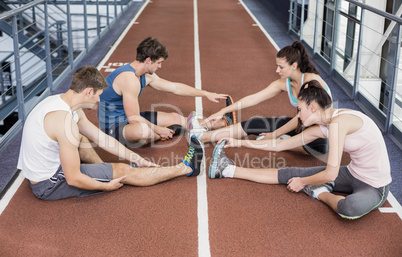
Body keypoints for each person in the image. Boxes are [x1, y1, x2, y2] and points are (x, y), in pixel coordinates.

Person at [209, 80, 391, 219]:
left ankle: (321, 193)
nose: (297, 115)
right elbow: (279, 145)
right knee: (291, 173)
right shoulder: (324, 126)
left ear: (312, 107)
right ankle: (227, 169)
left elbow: (330, 174)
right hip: (352, 173)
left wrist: (303, 182)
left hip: (375, 186)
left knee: (349, 208)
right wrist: (240, 142)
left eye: (299, 110)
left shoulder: (339, 123)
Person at [17, 66, 204, 201]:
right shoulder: (65, 123)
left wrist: (135, 157)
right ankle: (186, 168)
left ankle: (104, 169)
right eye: (98, 95)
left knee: (82, 139)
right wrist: (105, 185)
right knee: (123, 171)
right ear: (89, 91)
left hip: (39, 170)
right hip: (48, 184)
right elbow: (73, 177)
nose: (99, 100)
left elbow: (100, 137)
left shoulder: (61, 102)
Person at [191, 41, 332, 156]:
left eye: (281, 67)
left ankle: (283, 139)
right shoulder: (284, 84)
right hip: (300, 124)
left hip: (318, 132)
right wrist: (223, 110)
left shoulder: (311, 81)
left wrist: (274, 134)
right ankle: (203, 137)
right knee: (255, 122)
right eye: (276, 66)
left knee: (312, 148)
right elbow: (253, 99)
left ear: (294, 66)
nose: (277, 70)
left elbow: (301, 118)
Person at [98, 36, 230, 147]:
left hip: (129, 117)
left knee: (175, 117)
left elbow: (175, 88)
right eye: (159, 63)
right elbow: (134, 118)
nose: (160, 66)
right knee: (144, 132)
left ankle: (222, 123)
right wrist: (158, 129)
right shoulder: (129, 79)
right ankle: (164, 134)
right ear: (148, 60)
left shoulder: (145, 75)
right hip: (113, 126)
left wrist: (206, 93)